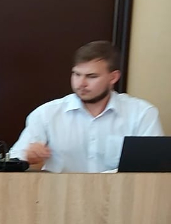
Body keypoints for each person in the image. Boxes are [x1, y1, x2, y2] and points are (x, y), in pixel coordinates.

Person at [9, 40, 163, 172]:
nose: (81, 83)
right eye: (76, 74)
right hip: (59, 195)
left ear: (113, 77)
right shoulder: (46, 114)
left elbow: (153, 167)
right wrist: (28, 157)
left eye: (91, 76)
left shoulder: (142, 113)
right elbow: (13, 160)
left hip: (121, 195)